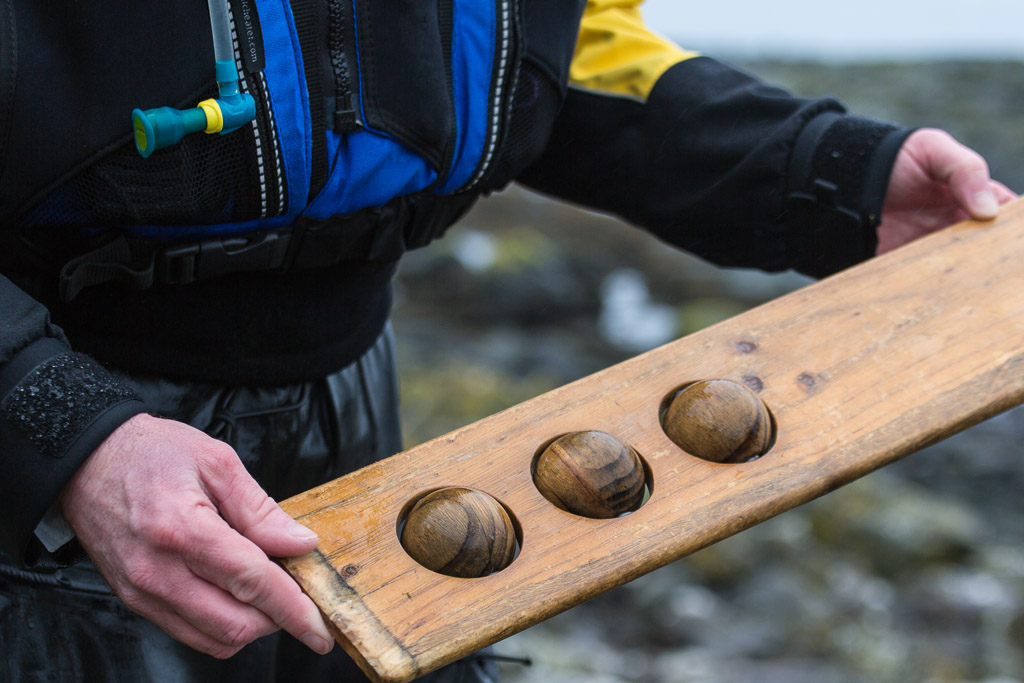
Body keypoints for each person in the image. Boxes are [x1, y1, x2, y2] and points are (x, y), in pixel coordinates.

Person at [0, 0, 1015, 681]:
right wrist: (60, 425)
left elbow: (551, 55)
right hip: (48, 434)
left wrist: (822, 168)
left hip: (352, 403)